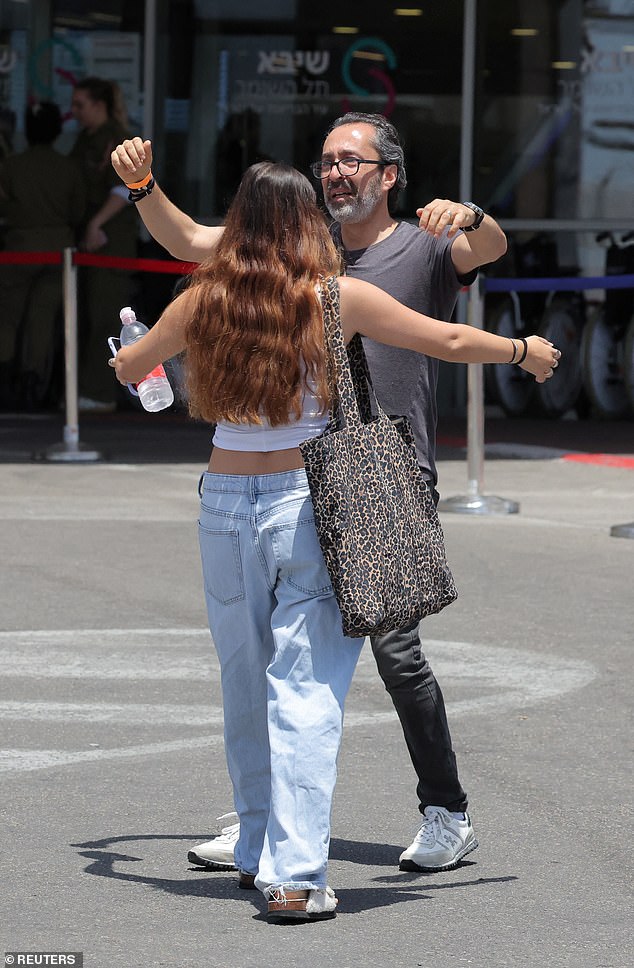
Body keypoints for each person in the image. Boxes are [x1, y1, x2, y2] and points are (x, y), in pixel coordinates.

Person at [108, 160, 558, 920]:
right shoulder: (334, 296)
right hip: (304, 501)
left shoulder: (203, 297)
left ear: (242, 224)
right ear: (305, 225)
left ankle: (256, 847)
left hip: (223, 505)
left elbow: (132, 367)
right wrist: (523, 352)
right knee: (306, 691)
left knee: (244, 682)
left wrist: (131, 348)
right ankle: (296, 875)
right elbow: (446, 338)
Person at [0, 101, 85, 409]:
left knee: (8, 317)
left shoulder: (11, 165)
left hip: (18, 249)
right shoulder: (69, 167)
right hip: (57, 253)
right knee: (43, 319)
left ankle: (5, 377)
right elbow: (78, 210)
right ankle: (33, 381)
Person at [70, 77, 138, 413]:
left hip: (112, 245)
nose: (75, 112)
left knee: (105, 317)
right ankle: (83, 390)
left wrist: (97, 222)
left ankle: (100, 393)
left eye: (80, 104)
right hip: (90, 245)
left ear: (99, 105)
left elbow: (125, 188)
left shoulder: (118, 139)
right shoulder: (86, 139)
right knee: (84, 315)